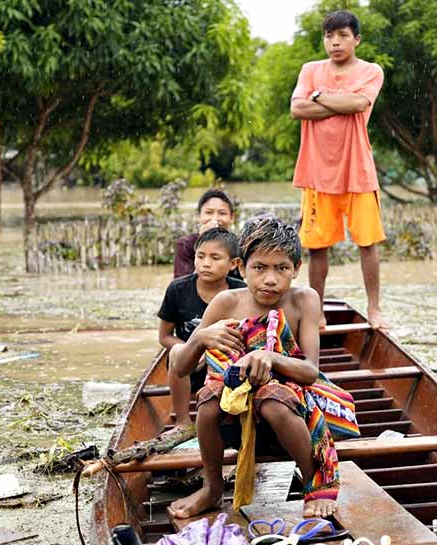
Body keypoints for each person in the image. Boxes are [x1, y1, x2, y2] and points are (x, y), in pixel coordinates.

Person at [166, 216, 338, 519]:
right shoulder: (225, 303)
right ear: (242, 268)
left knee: (272, 399)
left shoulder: (304, 300)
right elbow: (180, 368)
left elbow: (311, 371)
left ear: (296, 269)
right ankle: (213, 488)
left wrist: (271, 359)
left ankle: (313, 480)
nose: (270, 279)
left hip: (290, 415)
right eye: (259, 268)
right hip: (233, 424)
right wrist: (200, 339)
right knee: (208, 401)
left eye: (281, 268)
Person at [290, 10, 387, 331]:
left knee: (367, 243)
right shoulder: (310, 69)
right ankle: (316, 313)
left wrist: (319, 97)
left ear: (356, 39)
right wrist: (337, 100)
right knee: (317, 248)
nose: (335, 42)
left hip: (357, 169)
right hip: (317, 171)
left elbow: (360, 104)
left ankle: (374, 309)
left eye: (343, 35)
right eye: (329, 36)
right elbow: (296, 108)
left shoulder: (371, 71)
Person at [158, 228, 245, 434]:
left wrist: (211, 353)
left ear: (233, 264)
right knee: (175, 354)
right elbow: (164, 337)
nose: (206, 263)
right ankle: (182, 421)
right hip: (190, 363)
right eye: (200, 256)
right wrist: (191, 348)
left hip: (226, 360)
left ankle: (234, 413)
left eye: (215, 258)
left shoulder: (240, 291)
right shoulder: (177, 290)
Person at [174, 189, 238, 278]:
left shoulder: (239, 245)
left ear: (232, 217)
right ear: (199, 216)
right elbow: (182, 287)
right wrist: (203, 241)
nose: (215, 219)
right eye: (209, 212)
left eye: (222, 213)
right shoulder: (185, 244)